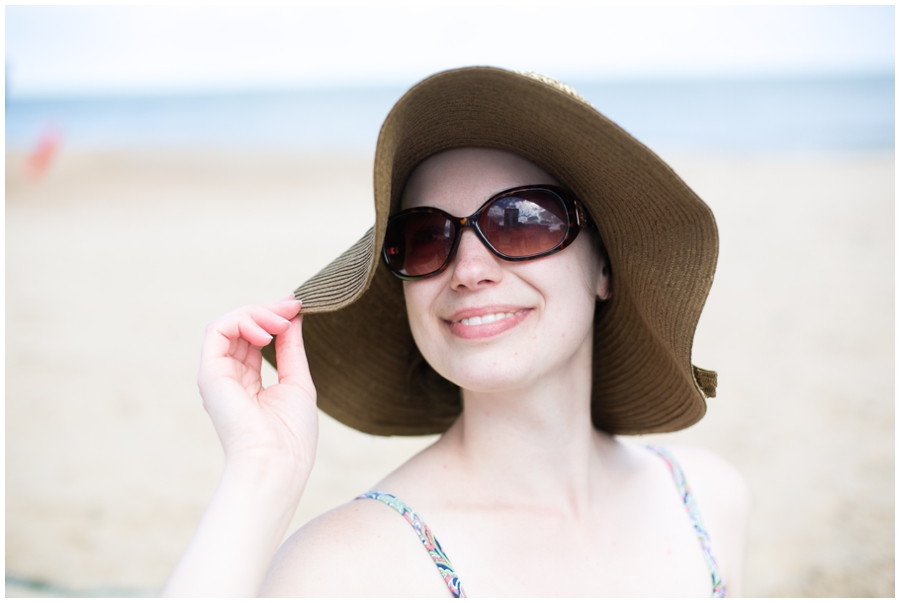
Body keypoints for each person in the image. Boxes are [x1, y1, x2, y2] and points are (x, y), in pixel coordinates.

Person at [163, 67, 751, 597]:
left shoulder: (707, 499)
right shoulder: (348, 567)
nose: (468, 271)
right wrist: (261, 472)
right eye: (426, 237)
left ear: (603, 267)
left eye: (521, 220)